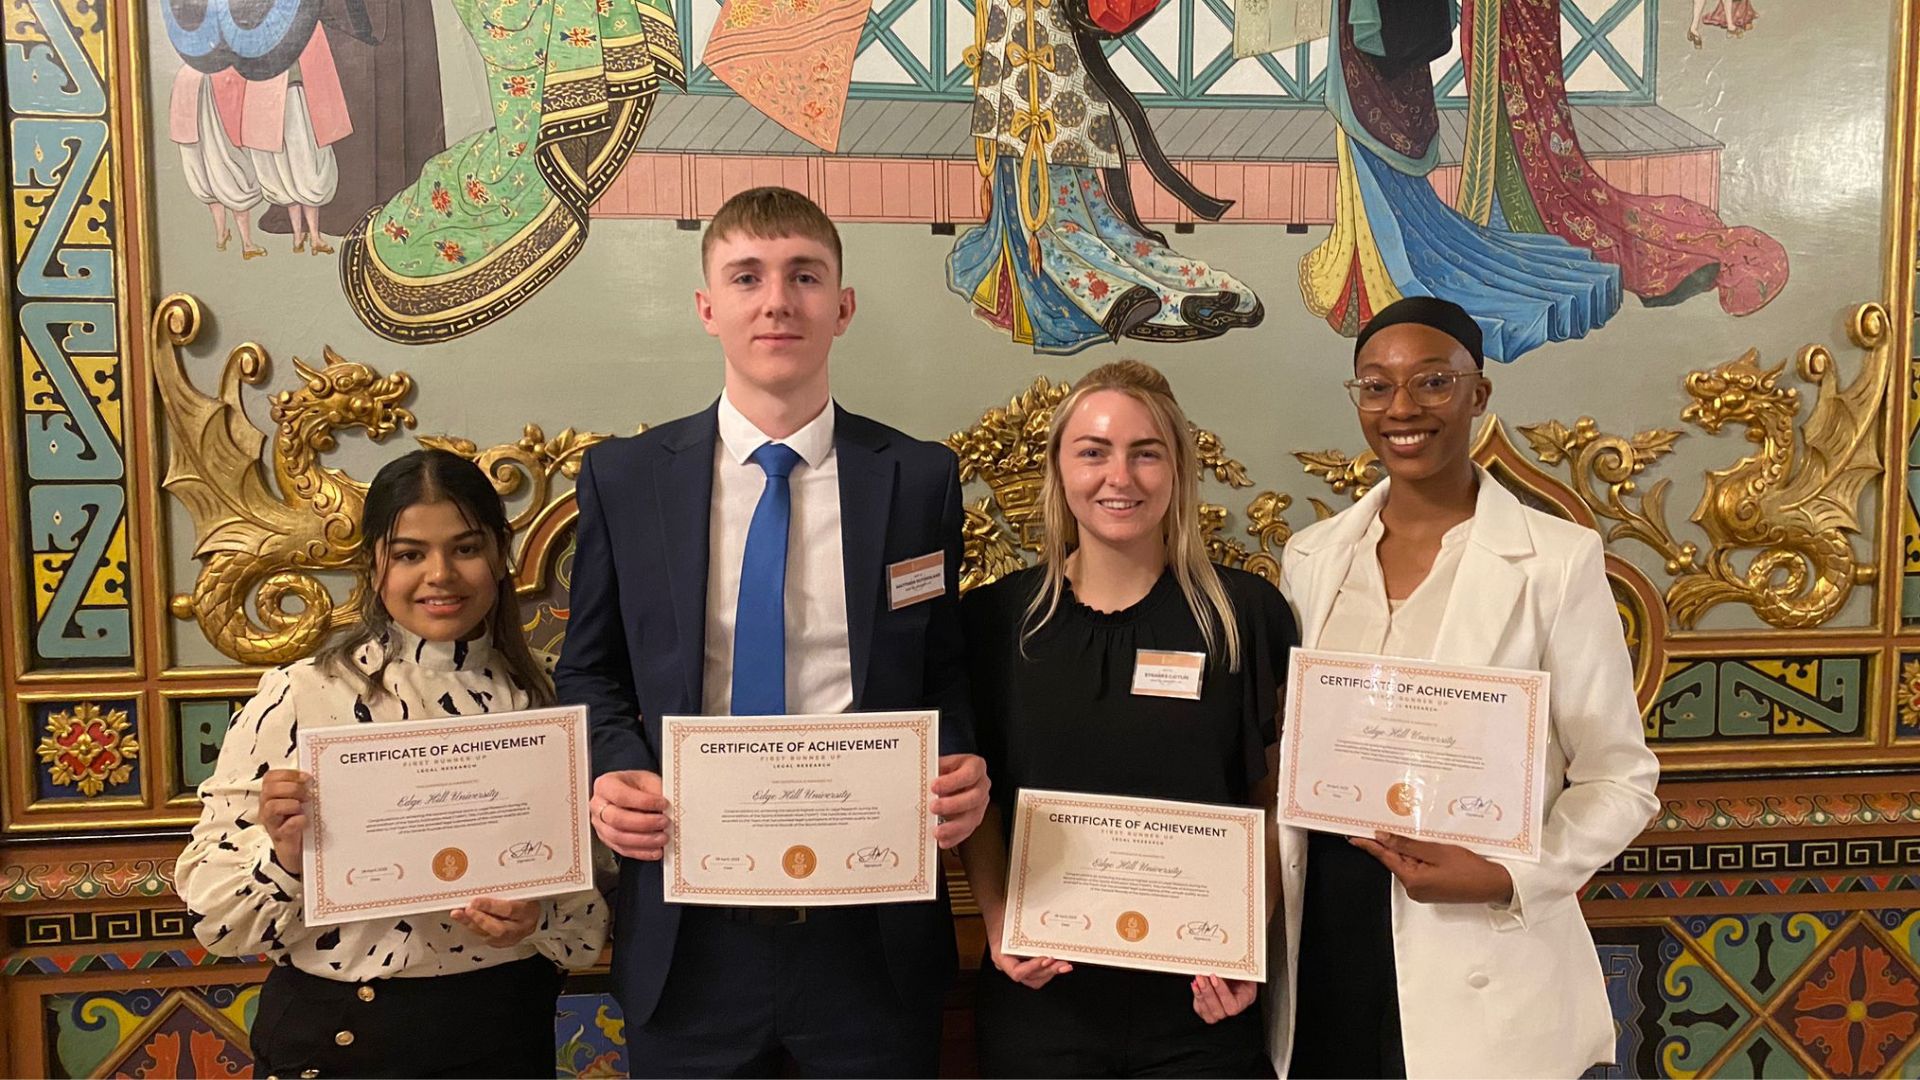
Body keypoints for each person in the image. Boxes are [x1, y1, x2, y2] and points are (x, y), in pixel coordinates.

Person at [554, 186, 993, 1077]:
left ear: (843, 306)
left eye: (804, 275)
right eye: (747, 277)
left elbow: (941, 670)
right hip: (690, 932)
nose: (777, 300)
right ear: (708, 307)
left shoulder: (917, 480)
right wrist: (611, 769)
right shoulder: (627, 478)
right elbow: (590, 671)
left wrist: (960, 764)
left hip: (867, 931)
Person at [1266, 296, 1661, 1078]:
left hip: (1475, 932)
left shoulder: (1558, 561)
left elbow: (1621, 777)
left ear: (1478, 395)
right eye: (1375, 387)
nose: (1402, 408)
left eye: (1432, 382)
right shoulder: (1312, 558)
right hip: (1328, 936)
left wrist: (1512, 874)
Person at [176, 448, 607, 1077]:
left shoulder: (550, 704)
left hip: (505, 1034)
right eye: (409, 554)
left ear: (500, 556)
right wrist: (288, 857)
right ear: (373, 562)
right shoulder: (300, 696)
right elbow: (218, 925)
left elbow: (595, 911)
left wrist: (538, 917)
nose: (441, 575)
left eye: (465, 548)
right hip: (340, 1037)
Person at [959, 360, 1295, 1077]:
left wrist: (1249, 944)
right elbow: (977, 800)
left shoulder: (1246, 616)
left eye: (1146, 453)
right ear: (1058, 469)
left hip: (1201, 1004)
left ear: (1177, 469)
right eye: (1093, 451)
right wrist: (995, 921)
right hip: (1043, 995)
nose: (1121, 477)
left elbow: (1271, 802)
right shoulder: (996, 621)